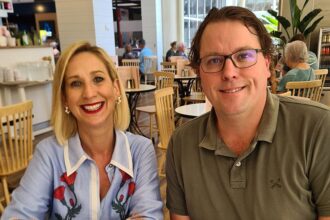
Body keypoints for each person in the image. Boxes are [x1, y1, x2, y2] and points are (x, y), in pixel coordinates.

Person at [166, 6, 330, 220]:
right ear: (200, 75)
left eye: (243, 55)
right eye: (214, 60)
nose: (229, 72)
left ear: (266, 63)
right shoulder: (181, 144)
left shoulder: (318, 129)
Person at [2, 41, 163, 219]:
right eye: (76, 83)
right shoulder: (49, 154)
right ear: (64, 98)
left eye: (98, 79)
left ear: (116, 88)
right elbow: (19, 214)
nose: (89, 93)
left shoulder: (140, 150)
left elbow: (149, 215)